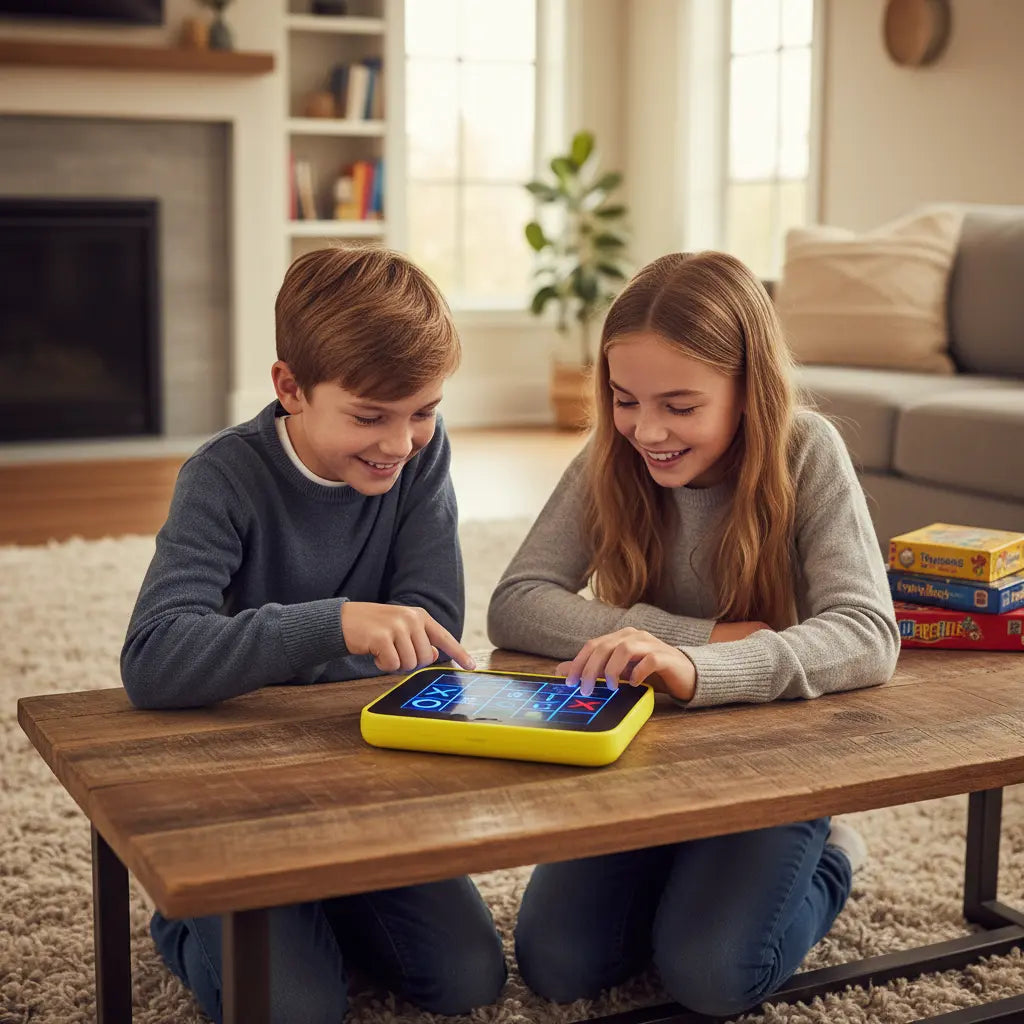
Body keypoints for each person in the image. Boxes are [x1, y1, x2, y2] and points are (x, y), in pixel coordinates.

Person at [487, 251, 899, 1017]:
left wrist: (702, 668)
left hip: (776, 769)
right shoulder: (615, 454)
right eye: (625, 398)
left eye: (680, 405)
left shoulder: (807, 451)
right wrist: (694, 634)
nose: (647, 429)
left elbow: (870, 633)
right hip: (646, 760)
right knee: (558, 962)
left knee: (712, 973)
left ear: (749, 391)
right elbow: (517, 602)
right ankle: (686, 875)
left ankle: (833, 858)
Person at [122, 247, 506, 1023]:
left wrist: (294, 661)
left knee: (470, 979)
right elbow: (156, 657)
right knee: (297, 1011)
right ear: (289, 388)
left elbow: (432, 630)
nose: (400, 443)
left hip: (363, 783)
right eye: (370, 416)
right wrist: (334, 622)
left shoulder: (419, 461)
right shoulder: (222, 477)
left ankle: (320, 905)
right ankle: (185, 915)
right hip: (234, 800)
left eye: (424, 411)